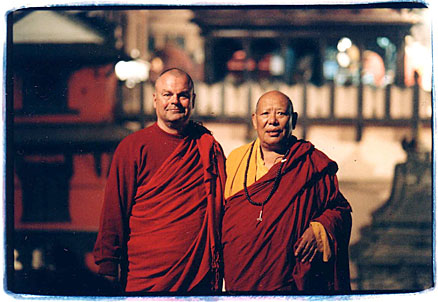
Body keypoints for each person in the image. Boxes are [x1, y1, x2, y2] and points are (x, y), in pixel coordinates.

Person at [93, 68, 226, 293]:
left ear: (192, 100)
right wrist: (108, 265)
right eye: (167, 94)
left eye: (183, 95)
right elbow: (114, 210)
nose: (175, 101)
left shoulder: (208, 147)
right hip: (144, 276)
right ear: (155, 100)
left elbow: (225, 206)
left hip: (195, 276)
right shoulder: (133, 147)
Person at [222, 90, 352, 293]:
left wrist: (319, 231)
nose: (272, 121)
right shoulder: (236, 160)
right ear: (254, 120)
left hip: (288, 282)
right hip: (240, 279)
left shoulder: (311, 162)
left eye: (281, 114)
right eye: (265, 114)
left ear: (294, 120)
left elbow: (340, 211)